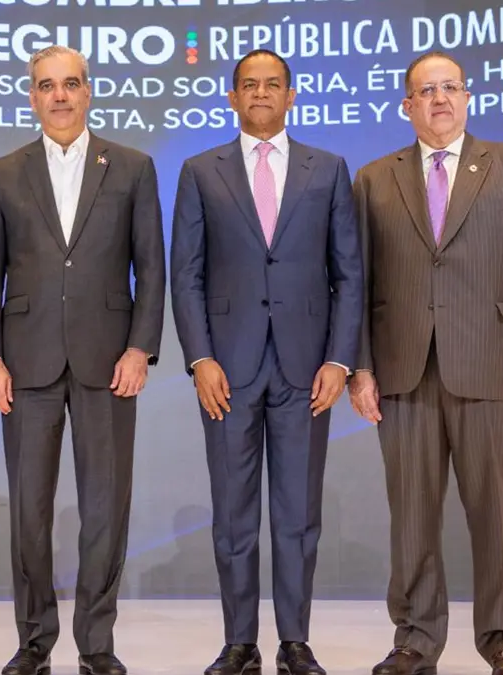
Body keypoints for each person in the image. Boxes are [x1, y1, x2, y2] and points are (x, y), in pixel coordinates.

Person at [349, 51, 503, 675]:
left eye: (450, 88)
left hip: (493, 365)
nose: (439, 99)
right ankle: (415, 639)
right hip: (403, 370)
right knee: (412, 514)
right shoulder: (373, 179)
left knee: (496, 512)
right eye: (426, 91)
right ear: (406, 106)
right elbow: (355, 280)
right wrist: (360, 367)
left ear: (467, 98)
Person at [0, 45, 165, 675]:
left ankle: (96, 644)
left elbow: (151, 269)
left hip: (109, 363)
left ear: (88, 92)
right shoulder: (2, 173)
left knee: (105, 509)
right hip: (24, 364)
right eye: (47, 85)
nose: (59, 95)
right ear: (32, 96)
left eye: (71, 84)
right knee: (29, 510)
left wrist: (140, 348)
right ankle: (34, 641)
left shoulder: (132, 167)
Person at [170, 49, 362, 675]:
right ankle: (239, 643)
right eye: (248, 85)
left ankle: (295, 641)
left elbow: (349, 274)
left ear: (290, 95)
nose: (260, 93)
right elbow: (186, 274)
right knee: (233, 514)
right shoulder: (200, 171)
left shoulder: (328, 169)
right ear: (232, 97)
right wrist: (199, 357)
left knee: (299, 514)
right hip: (227, 369)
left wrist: (340, 360)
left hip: (308, 369)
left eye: (272, 84)